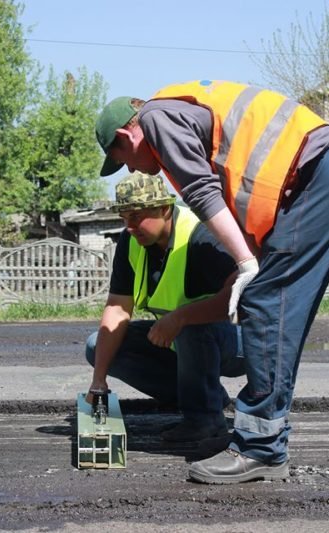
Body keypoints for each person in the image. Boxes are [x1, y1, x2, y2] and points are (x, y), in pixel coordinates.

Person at [95, 80, 329, 484]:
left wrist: (245, 263)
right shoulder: (183, 115)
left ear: (125, 134)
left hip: (320, 174)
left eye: (125, 160)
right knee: (272, 302)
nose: (132, 169)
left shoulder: (155, 118)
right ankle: (257, 439)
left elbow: (201, 191)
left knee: (265, 301)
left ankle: (261, 448)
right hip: (326, 173)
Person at [85, 171, 245, 448]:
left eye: (136, 216)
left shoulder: (203, 235)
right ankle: (206, 397)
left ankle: (205, 420)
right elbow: (117, 308)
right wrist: (99, 380)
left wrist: (181, 317)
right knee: (96, 345)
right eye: (124, 218)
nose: (130, 226)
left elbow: (240, 298)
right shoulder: (131, 241)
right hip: (184, 338)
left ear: (164, 208)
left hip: (242, 341)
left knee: (191, 328)